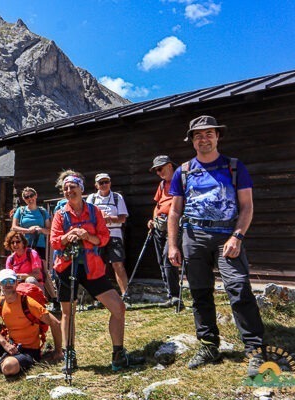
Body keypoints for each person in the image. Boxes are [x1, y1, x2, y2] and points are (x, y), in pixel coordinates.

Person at [167, 115, 265, 376]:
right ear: (192, 140)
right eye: (198, 135)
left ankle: (256, 350)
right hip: (193, 238)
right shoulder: (183, 171)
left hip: (227, 238)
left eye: (209, 133)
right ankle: (209, 345)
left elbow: (247, 207)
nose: (204, 138)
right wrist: (173, 245)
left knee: (239, 288)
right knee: (199, 293)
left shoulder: (234, 167)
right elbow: (175, 212)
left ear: (218, 136)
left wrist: (237, 236)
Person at [51, 171, 142, 371]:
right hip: (66, 267)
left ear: (81, 189)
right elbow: (55, 242)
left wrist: (86, 236)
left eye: (72, 187)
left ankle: (118, 355)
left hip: (92, 268)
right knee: (68, 313)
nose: (69, 191)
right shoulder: (60, 214)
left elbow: (104, 237)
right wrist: (69, 236)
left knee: (118, 307)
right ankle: (69, 355)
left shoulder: (93, 212)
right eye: (66, 188)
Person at [86, 173, 130, 300]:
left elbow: (123, 218)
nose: (104, 185)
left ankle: (125, 295)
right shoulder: (91, 199)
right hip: (97, 236)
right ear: (96, 185)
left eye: (106, 182)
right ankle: (101, 296)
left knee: (118, 264)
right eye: (101, 183)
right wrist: (100, 218)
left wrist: (109, 218)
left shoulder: (117, 197)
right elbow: (88, 217)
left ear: (110, 183)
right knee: (99, 266)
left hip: (114, 234)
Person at [146, 155, 182, 308]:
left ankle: (176, 295)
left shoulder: (180, 181)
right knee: (161, 261)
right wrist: (153, 220)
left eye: (160, 169)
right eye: (156, 170)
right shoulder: (162, 185)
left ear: (169, 166)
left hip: (174, 225)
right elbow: (158, 205)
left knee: (169, 258)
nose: (159, 172)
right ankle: (171, 295)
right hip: (159, 226)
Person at [11, 187, 51, 260]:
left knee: (40, 268)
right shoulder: (20, 211)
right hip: (23, 245)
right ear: (24, 199)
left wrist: (40, 230)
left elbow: (49, 230)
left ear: (36, 196)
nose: (30, 198)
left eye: (31, 195)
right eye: (26, 197)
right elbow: (14, 227)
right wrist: (28, 230)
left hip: (40, 245)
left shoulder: (43, 211)